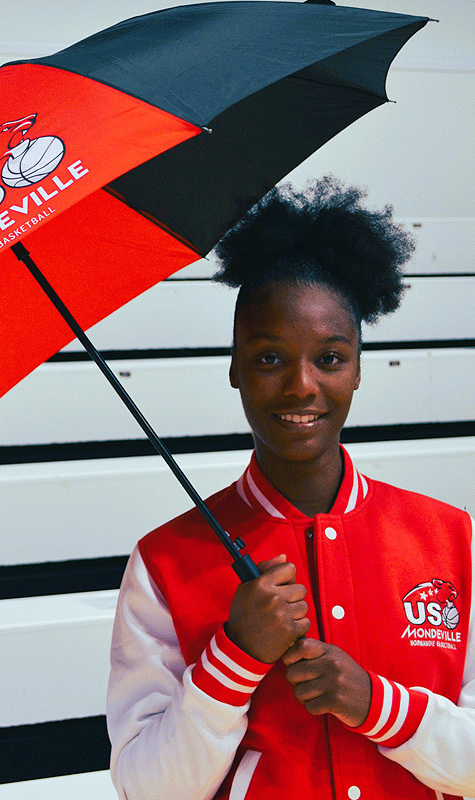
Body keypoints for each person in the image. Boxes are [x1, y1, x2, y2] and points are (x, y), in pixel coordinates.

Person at [106, 177, 475, 799]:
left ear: (358, 366)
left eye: (329, 358)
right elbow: (148, 790)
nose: (302, 386)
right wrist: (235, 656)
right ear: (234, 368)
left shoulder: (452, 539)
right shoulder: (166, 562)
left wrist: (378, 705)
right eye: (270, 358)